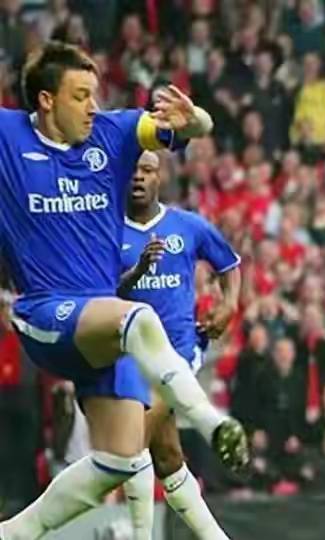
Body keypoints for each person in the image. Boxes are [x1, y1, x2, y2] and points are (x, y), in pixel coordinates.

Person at [0, 41, 247, 540]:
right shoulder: (7, 136)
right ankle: (211, 421)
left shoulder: (112, 133)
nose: (93, 106)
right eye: (80, 95)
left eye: (94, 94)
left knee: (121, 459)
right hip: (47, 312)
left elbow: (196, 128)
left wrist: (194, 118)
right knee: (136, 317)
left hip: (103, 330)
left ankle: (13, 533)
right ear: (46, 100)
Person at [117, 151, 241, 539]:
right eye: (133, 170)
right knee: (167, 456)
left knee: (131, 441)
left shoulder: (187, 225)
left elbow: (229, 264)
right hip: (127, 355)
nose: (139, 177)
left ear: (162, 178)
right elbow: (102, 294)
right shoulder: (107, 230)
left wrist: (229, 304)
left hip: (178, 352)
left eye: (148, 170)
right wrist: (137, 271)